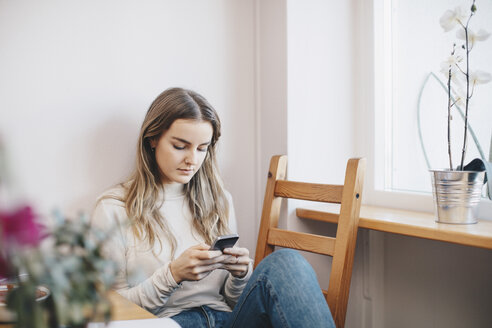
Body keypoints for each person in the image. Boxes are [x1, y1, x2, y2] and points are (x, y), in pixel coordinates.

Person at [91, 87, 335, 328]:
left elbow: (232, 300)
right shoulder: (114, 209)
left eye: (202, 148)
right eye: (180, 146)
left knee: (286, 261)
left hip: (227, 320)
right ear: (152, 139)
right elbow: (112, 311)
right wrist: (172, 275)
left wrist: (240, 276)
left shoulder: (219, 201)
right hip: (169, 323)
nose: (192, 160)